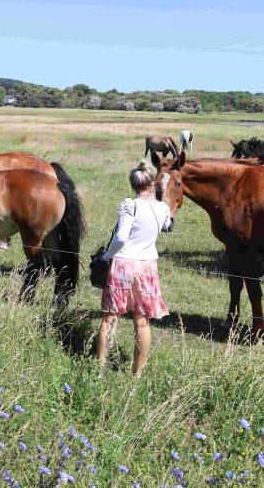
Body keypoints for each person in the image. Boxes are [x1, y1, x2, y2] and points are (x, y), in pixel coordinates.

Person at [96, 160, 172, 375]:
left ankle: (100, 371)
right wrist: (163, 194)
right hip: (147, 266)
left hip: (123, 264)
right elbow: (167, 226)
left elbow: (120, 238)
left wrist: (105, 256)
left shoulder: (130, 204)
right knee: (142, 321)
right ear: (152, 183)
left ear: (133, 185)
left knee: (110, 318)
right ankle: (137, 373)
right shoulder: (162, 207)